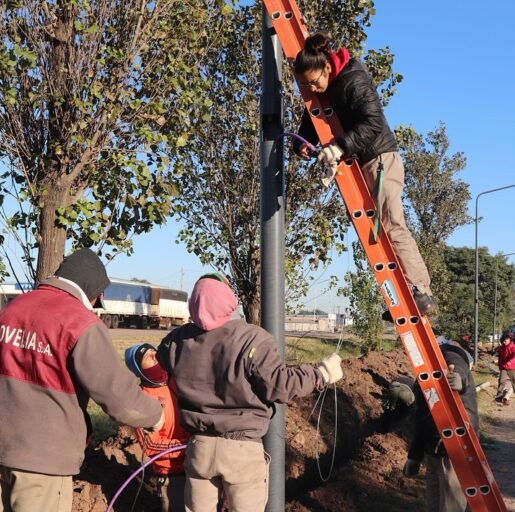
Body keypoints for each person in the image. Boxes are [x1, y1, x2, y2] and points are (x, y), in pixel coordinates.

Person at [0, 249, 164, 512]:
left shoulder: (10, 310)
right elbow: (116, 396)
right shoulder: (80, 322)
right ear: (91, 289)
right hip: (42, 460)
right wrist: (155, 416)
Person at [157, 273, 343, 512]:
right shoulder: (252, 339)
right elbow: (280, 385)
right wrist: (320, 375)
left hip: (199, 448)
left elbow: (160, 357)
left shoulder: (177, 340)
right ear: (229, 301)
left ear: (193, 303)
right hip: (241, 450)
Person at [291, 32, 436, 316]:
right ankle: (403, 295)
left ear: (327, 67)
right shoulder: (325, 87)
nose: (311, 88)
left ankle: (420, 290)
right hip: (363, 161)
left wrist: (340, 147)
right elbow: (314, 115)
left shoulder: (353, 80)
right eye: (305, 84)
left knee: (391, 223)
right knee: (377, 230)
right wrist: (301, 142)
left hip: (381, 159)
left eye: (314, 81)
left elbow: (373, 122)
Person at [401, 337, 478, 512]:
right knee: (434, 506)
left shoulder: (449, 356)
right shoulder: (429, 368)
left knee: (451, 506)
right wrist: (415, 456)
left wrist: (460, 378)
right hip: (433, 450)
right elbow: (423, 417)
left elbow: (458, 364)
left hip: (452, 450)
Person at [125, 343, 190, 512]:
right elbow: (150, 445)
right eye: (148, 357)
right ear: (139, 369)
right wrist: (186, 446)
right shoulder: (141, 400)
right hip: (172, 476)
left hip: (197, 467)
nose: (155, 356)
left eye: (155, 352)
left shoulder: (176, 382)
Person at [495, 333, 515, 403]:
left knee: (514, 381)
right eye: (503, 341)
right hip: (503, 367)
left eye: (505, 341)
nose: (504, 342)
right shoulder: (502, 347)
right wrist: (499, 365)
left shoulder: (514, 347)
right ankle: (499, 393)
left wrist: (510, 361)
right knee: (501, 381)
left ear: (509, 340)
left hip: (511, 367)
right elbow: (500, 357)